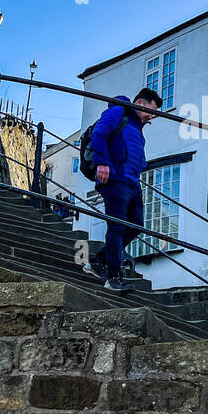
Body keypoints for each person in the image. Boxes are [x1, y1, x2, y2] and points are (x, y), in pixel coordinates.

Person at [80, 88, 161, 292]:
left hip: (132, 182)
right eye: (151, 111)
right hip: (114, 178)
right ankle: (113, 277)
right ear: (140, 103)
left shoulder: (137, 126)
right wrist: (103, 163)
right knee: (116, 226)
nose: (152, 117)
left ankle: (98, 261)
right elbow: (99, 134)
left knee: (136, 226)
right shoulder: (118, 111)